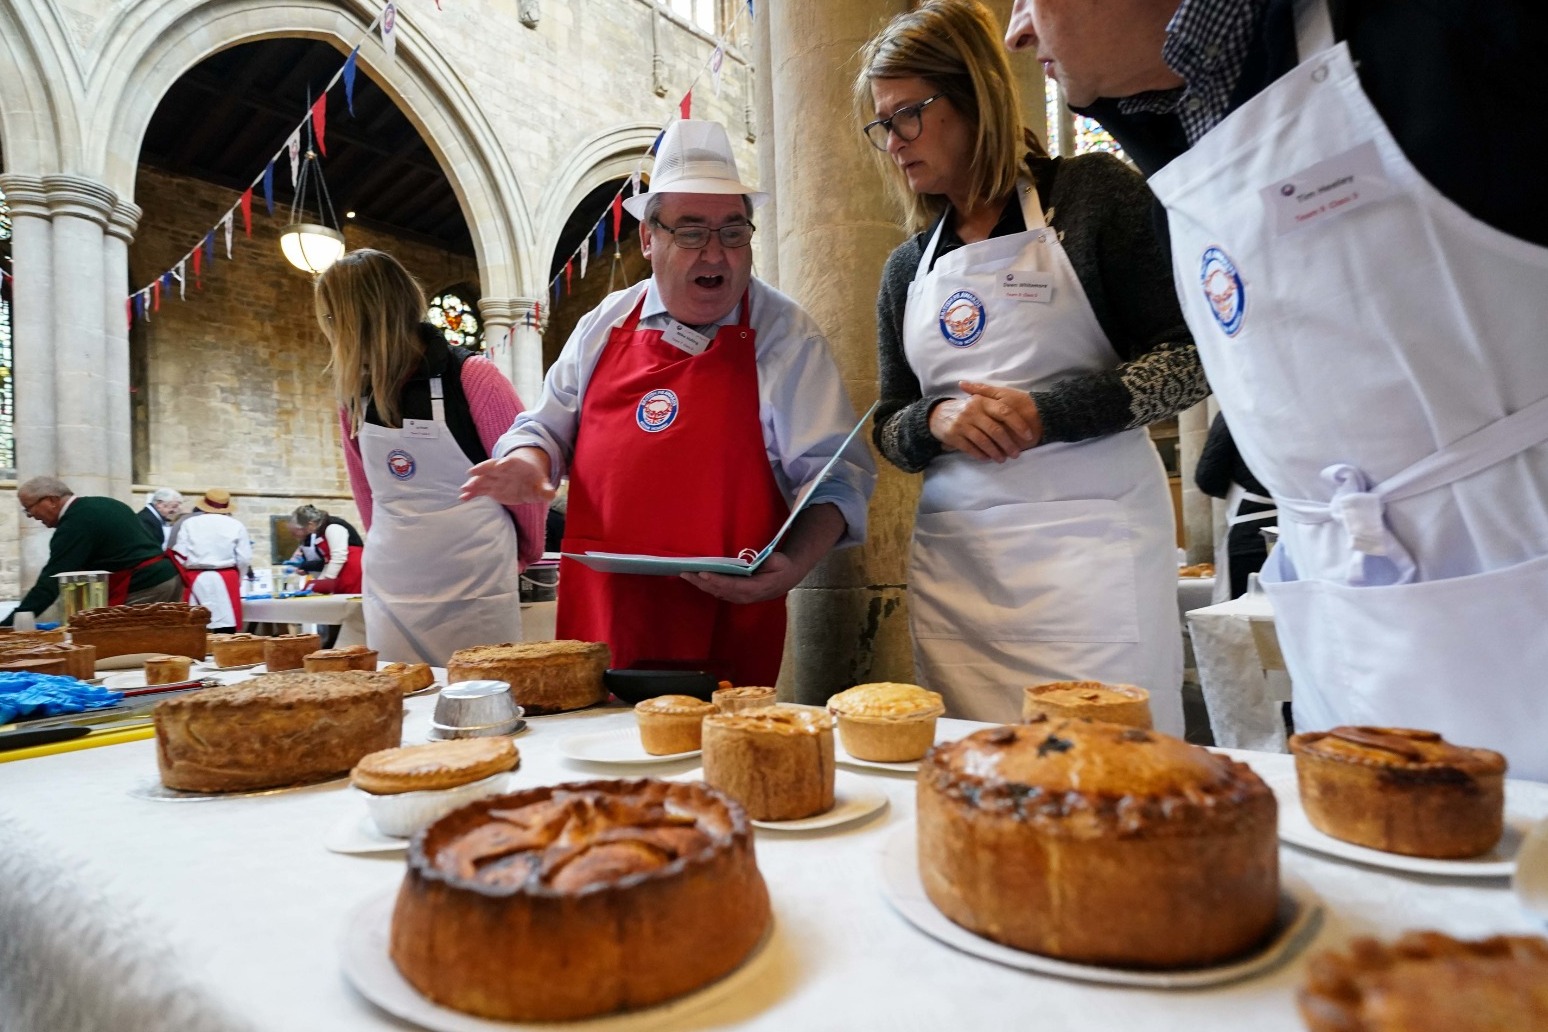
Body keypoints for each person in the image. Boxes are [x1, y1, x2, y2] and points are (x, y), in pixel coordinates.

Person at [1005, 1, 1548, 777]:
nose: (1016, 29)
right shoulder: (1183, 133)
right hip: (1346, 653)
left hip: (1517, 607)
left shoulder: (1451, 36)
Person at [857, 0, 1207, 730]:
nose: (893, 141)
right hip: (966, 567)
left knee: (1114, 770)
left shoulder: (1092, 197)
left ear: (974, 91)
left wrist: (1051, 414)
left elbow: (1189, 359)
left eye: (908, 115)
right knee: (980, 770)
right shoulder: (906, 270)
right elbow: (889, 423)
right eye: (881, 124)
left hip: (1093, 554)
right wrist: (936, 418)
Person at [461, 119, 876, 687]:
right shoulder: (601, 325)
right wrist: (527, 464)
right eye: (691, 232)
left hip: (727, 621)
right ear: (647, 238)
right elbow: (544, 429)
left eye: (734, 232)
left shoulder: (787, 335)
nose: (717, 253)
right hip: (603, 619)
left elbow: (835, 478)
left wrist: (794, 566)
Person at [314, 249, 546, 666]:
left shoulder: (473, 377)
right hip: (394, 583)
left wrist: (526, 552)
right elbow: (370, 497)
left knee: (480, 692)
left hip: (474, 577)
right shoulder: (353, 397)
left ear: (345, 321)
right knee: (399, 698)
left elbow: (523, 483)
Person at [5, 477, 182, 624]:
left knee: (125, 646)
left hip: (146, 586)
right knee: (160, 641)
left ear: (51, 500)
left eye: (29, 508)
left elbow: (51, 582)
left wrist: (10, 624)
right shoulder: (105, 503)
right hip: (169, 578)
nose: (31, 516)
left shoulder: (74, 523)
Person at [1195, 413, 1276, 603]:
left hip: (1253, 532)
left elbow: (1208, 478)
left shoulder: (1234, 407)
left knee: (1250, 617)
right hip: (1309, 530)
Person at [166, 489, 252, 633]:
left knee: (195, 624)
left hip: (195, 576)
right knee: (226, 624)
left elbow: (180, 554)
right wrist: (239, 578)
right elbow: (244, 558)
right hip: (226, 576)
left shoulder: (189, 523)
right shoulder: (236, 525)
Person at [284, 504, 364, 594]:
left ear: (310, 524)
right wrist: (319, 583)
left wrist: (326, 581)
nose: (305, 533)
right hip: (342, 569)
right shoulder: (321, 531)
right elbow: (327, 561)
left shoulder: (333, 527)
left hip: (352, 569)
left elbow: (339, 557)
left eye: (304, 529)